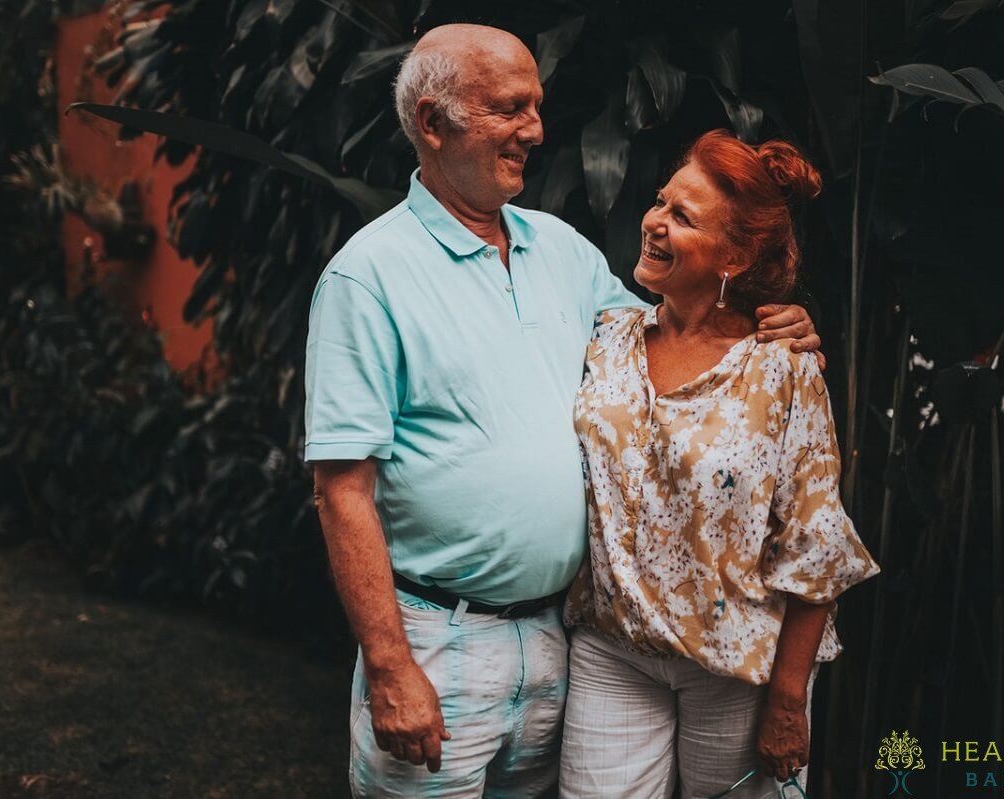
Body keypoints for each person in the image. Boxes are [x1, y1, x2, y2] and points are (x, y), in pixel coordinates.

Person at [304, 25, 823, 799]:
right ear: (434, 124)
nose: (537, 131)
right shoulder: (368, 277)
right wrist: (389, 663)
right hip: (437, 643)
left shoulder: (563, 252)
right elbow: (341, 487)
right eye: (510, 108)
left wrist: (771, 324)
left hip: (561, 645)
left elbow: (675, 340)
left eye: (536, 107)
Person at [558, 131, 880, 799]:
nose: (654, 222)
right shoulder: (609, 338)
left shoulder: (782, 367)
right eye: (659, 202)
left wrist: (788, 702)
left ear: (733, 254)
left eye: (682, 217)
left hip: (741, 671)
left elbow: (815, 545)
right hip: (614, 650)